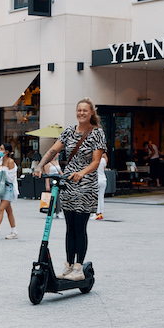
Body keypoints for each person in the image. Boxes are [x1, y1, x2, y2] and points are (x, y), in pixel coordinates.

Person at [34, 98, 106, 281]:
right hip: (68, 184)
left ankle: (79, 267)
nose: (81, 113)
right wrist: (40, 165)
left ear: (91, 113)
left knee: (79, 227)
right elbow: (52, 151)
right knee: (69, 227)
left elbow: (96, 161)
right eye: (79, 110)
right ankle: (68, 265)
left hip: (86, 184)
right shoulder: (68, 132)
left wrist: (81, 173)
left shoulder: (97, 133)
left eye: (85, 110)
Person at [96, 154, 108, 220]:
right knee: (101, 197)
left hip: (97, 179)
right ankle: (101, 212)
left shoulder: (95, 160)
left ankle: (97, 213)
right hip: (103, 179)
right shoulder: (103, 160)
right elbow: (104, 168)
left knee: (96, 196)